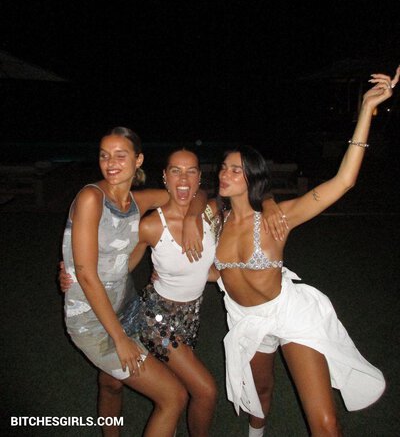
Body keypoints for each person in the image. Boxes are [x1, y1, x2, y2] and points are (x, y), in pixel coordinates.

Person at [208, 68, 399, 437]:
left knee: (324, 423)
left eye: (235, 170)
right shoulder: (214, 217)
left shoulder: (278, 217)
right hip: (246, 320)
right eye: (224, 168)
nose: (224, 174)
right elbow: (217, 269)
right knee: (260, 394)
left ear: (252, 177)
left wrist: (365, 111)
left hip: (289, 313)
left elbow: (343, 181)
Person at [61, 143, 285, 436]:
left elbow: (249, 191)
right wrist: (73, 272)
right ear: (164, 177)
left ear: (200, 178)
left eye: (191, 172)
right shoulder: (150, 226)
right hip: (158, 319)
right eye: (176, 171)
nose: (183, 179)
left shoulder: (211, 212)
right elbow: (117, 264)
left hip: (190, 318)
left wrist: (268, 202)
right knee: (203, 391)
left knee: (111, 381)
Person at [62, 127, 210, 437]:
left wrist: (193, 218)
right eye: (105, 155)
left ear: (138, 160)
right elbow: (87, 275)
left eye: (120, 155)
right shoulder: (91, 198)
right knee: (173, 396)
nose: (111, 163)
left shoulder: (136, 201)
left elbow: (190, 193)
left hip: (126, 307)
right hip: (93, 320)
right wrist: (119, 339)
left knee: (111, 383)